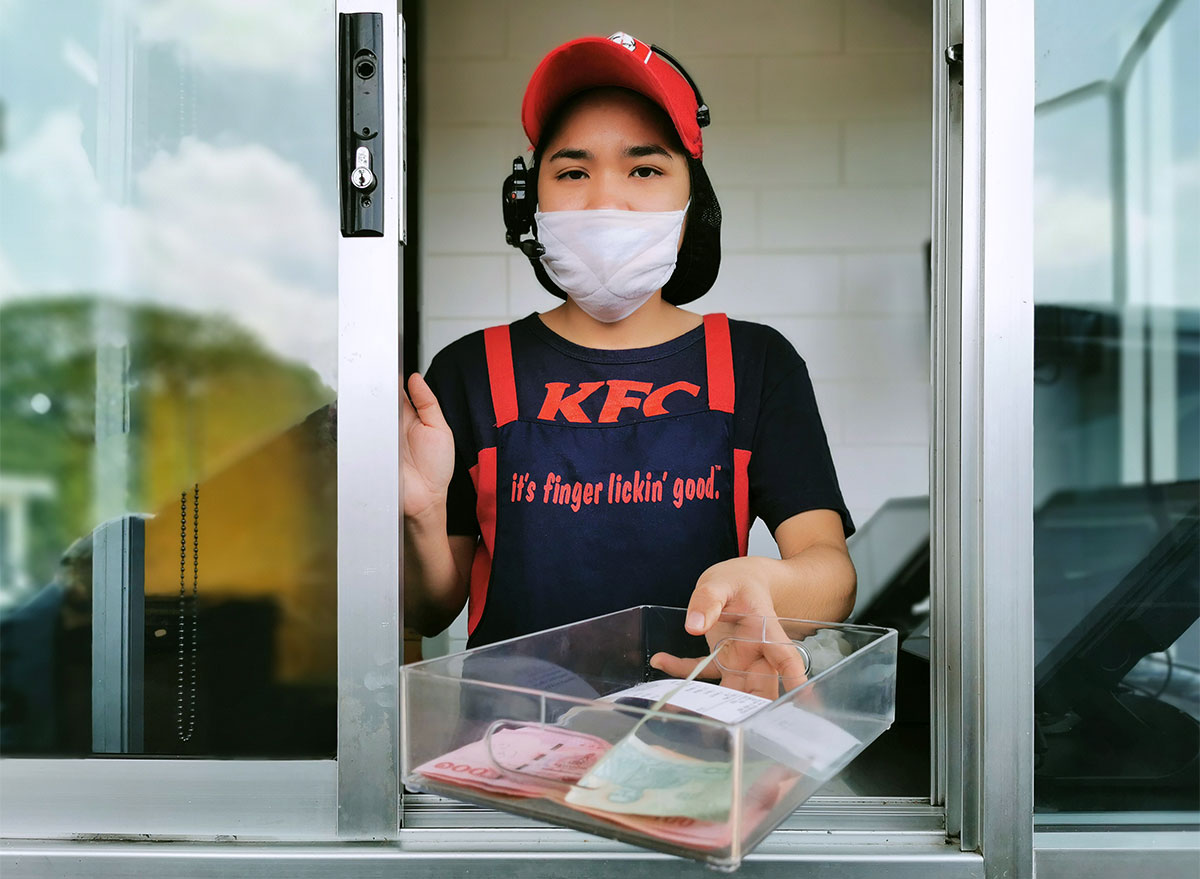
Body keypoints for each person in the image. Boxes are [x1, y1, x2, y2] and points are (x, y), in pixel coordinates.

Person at [402, 32, 856, 673]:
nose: (606, 201)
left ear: (692, 201)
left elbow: (830, 572)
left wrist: (769, 584)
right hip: (506, 746)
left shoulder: (756, 362)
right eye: (572, 172)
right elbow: (426, 612)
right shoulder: (470, 370)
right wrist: (420, 514)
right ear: (531, 201)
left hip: (693, 739)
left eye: (644, 169)